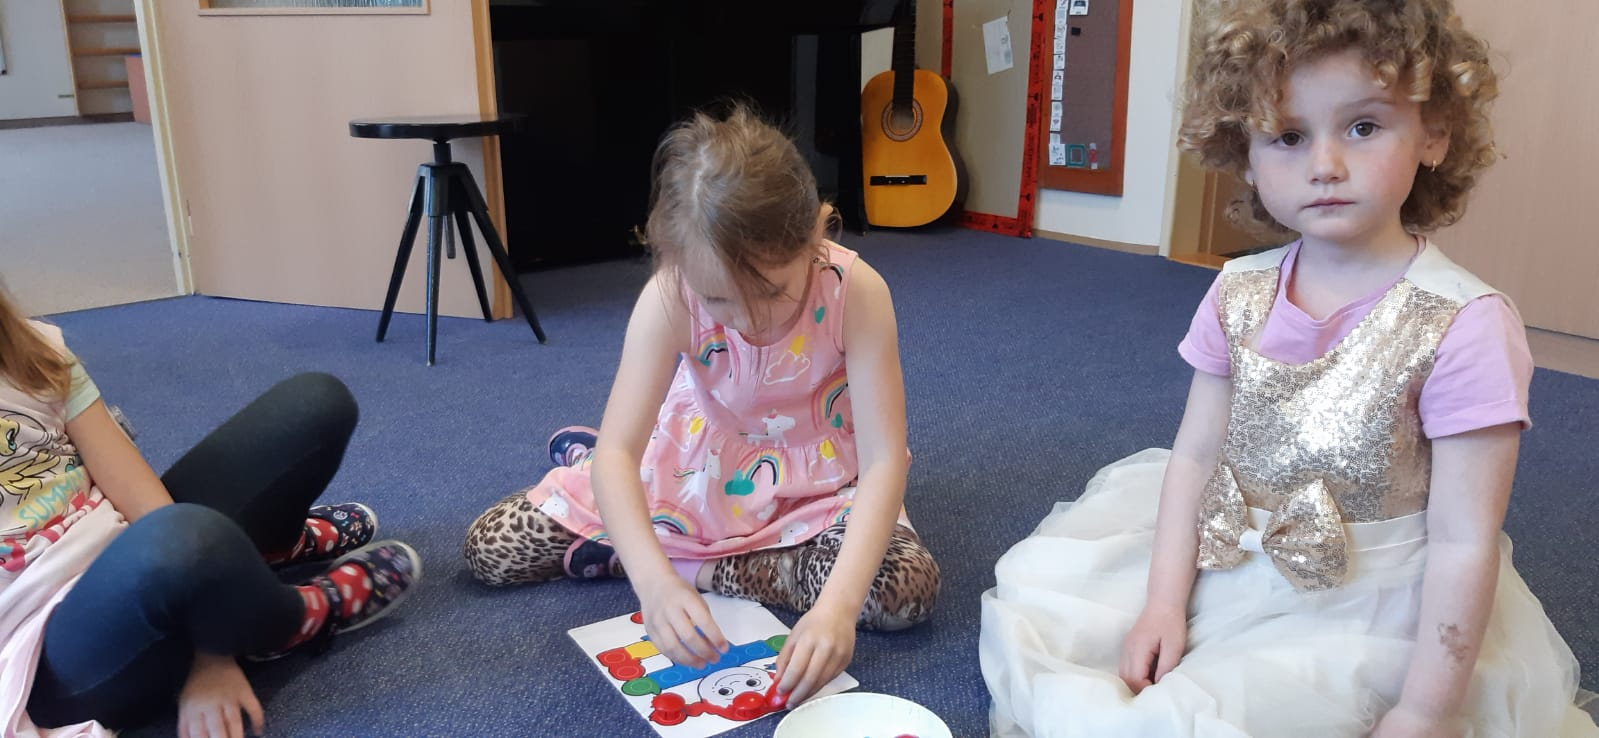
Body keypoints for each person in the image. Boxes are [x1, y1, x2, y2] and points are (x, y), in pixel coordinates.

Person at [978, 1, 1599, 735]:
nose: (1325, 166)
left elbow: (1464, 540)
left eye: (1362, 127)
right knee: (1050, 611)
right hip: (1223, 554)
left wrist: (1425, 708)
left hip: (1366, 607)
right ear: (1245, 153)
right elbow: (1195, 456)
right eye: (1289, 136)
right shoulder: (1235, 291)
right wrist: (1162, 603)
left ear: (1434, 133)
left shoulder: (1463, 324)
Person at [464, 104, 940, 706]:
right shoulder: (669, 294)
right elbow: (619, 454)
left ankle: (682, 563)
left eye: (772, 292)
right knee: (491, 548)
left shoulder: (858, 293)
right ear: (674, 260)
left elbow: (883, 461)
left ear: (818, 232)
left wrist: (837, 610)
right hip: (695, 471)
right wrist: (655, 587)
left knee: (901, 591)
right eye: (719, 300)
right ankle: (655, 546)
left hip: (814, 490)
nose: (747, 321)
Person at [0, 288, 421, 738]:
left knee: (318, 404)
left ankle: (261, 558)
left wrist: (199, 602)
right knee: (187, 539)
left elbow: (133, 487)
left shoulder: (30, 350)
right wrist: (210, 653)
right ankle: (295, 617)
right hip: (45, 650)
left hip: (132, 550)